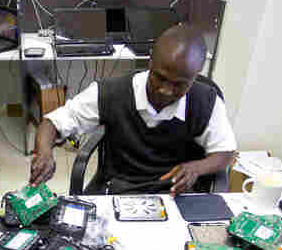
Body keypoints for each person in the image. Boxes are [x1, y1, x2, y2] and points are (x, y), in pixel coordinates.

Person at [30, 24, 237, 196]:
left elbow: (226, 153)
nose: (166, 91)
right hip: (121, 187)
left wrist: (197, 168)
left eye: (179, 84)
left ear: (195, 76)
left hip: (177, 193)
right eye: (160, 78)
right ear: (150, 61)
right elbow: (52, 123)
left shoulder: (206, 101)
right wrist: (44, 153)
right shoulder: (111, 92)